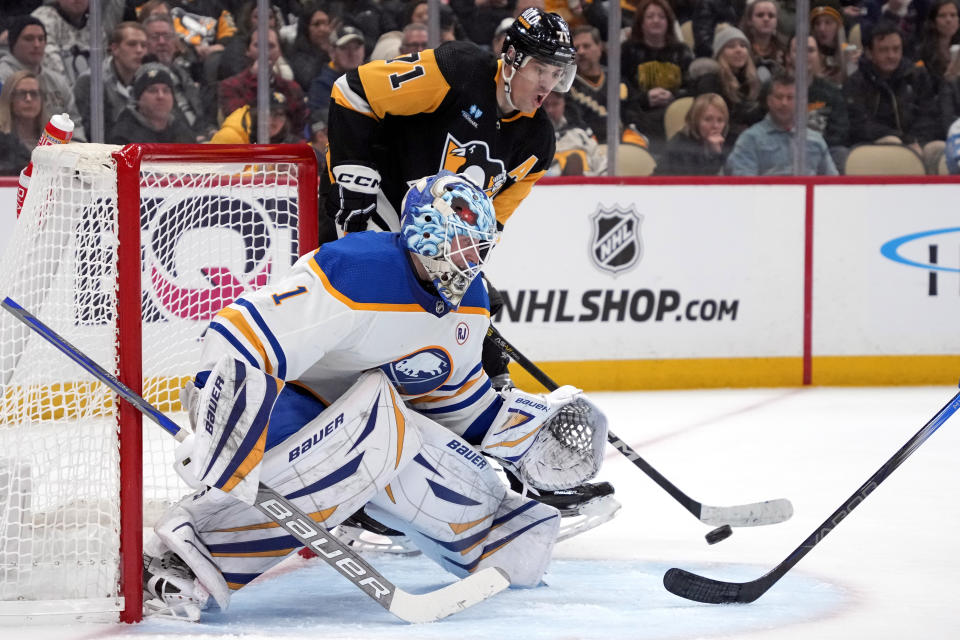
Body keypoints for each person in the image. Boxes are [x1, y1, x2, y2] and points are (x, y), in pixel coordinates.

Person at [138, 171, 608, 620]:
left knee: (477, 501)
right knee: (380, 428)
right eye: (461, 245)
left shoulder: (471, 303)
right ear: (426, 233)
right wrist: (222, 415)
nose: (470, 260)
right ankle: (177, 556)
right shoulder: (359, 269)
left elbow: (457, 401)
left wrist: (525, 434)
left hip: (367, 425)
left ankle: (491, 540)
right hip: (275, 408)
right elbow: (241, 334)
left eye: (477, 249)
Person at [322, 8, 616, 520]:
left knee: (474, 355)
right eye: (540, 69)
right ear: (513, 60)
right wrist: (356, 186)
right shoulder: (458, 71)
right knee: (366, 360)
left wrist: (472, 283)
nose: (548, 84)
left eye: (557, 72)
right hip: (368, 231)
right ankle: (354, 488)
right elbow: (352, 92)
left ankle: (516, 476)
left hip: (428, 256)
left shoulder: (537, 143)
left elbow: (485, 228)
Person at [844, 20, 944, 171]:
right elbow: (860, 125)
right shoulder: (857, 82)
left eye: (896, 49)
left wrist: (915, 141)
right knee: (893, 144)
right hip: (874, 145)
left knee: (939, 148)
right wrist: (904, 141)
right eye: (884, 50)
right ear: (870, 53)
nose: (891, 55)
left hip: (917, 141)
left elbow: (929, 115)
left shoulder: (917, 75)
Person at [726, 72, 839, 175]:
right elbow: (744, 187)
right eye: (779, 97)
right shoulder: (750, 139)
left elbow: (832, 185)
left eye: (790, 98)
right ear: (769, 101)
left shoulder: (816, 140)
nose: (784, 103)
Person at [620, 0, 694, 152]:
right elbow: (622, 86)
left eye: (661, 17)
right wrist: (644, 98)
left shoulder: (682, 51)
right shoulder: (627, 50)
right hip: (640, 113)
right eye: (650, 16)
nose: (656, 20)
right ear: (641, 22)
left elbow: (691, 88)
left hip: (672, 112)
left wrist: (673, 96)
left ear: (668, 22)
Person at [0, 15, 86, 141]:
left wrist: (76, 150)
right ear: (13, 43)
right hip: (13, 150)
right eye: (28, 39)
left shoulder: (58, 81)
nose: (36, 44)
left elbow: (75, 124)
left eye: (41, 39)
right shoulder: (3, 78)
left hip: (61, 152)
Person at [218, 27, 307, 136]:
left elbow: (298, 129)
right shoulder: (230, 86)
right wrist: (256, 79)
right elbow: (241, 122)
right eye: (258, 45)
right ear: (247, 50)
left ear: (280, 52)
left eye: (271, 46)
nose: (265, 52)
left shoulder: (292, 89)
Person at [566, 25, 645, 145]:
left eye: (586, 46)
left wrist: (631, 130)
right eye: (576, 48)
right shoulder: (567, 86)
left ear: (599, 48)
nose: (581, 52)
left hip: (624, 144)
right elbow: (574, 122)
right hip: (591, 148)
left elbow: (633, 110)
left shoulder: (616, 79)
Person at [142, 13, 216, 141]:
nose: (162, 42)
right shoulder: (143, 78)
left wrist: (210, 129)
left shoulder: (181, 70)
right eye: (155, 37)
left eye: (167, 36)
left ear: (175, 41)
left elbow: (199, 110)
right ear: (144, 42)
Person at [692, 27, 763, 145]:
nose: (739, 50)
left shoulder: (753, 81)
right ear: (720, 53)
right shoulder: (710, 81)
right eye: (731, 46)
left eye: (743, 45)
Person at [74, 21, 147, 135]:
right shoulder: (92, 81)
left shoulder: (147, 79)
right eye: (132, 44)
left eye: (143, 45)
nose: (139, 50)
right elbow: (92, 135)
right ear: (115, 49)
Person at [107, 62, 196, 144]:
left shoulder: (182, 130)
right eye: (152, 91)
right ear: (138, 98)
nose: (161, 96)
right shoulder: (123, 137)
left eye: (166, 91)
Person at [655, 92, 730, 175]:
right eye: (708, 119)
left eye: (720, 120)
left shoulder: (725, 142)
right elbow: (698, 183)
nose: (715, 126)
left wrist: (716, 153)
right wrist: (715, 156)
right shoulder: (681, 146)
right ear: (695, 121)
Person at [307, 25, 366, 120]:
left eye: (356, 47)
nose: (352, 53)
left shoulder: (374, 76)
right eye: (344, 48)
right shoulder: (321, 85)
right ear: (332, 52)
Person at [0, 70, 48, 175]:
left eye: (34, 93)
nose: (29, 99)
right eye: (22, 93)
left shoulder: (54, 141)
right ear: (9, 98)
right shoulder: (2, 141)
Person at [210, 91, 301, 143]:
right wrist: (270, 170)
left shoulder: (284, 140)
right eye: (270, 113)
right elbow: (219, 175)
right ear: (255, 113)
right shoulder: (230, 136)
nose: (275, 119)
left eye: (281, 114)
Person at [740, 0, 787, 81]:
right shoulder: (740, 47)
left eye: (771, 16)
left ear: (777, 21)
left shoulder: (785, 48)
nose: (766, 19)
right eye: (760, 15)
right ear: (749, 20)